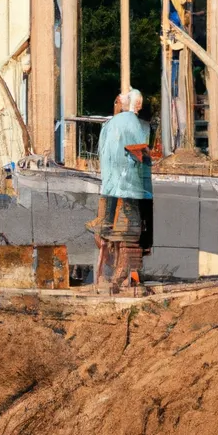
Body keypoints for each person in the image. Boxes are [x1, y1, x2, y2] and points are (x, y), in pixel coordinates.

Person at [88, 88, 153, 293]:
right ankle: (125, 276)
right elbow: (140, 152)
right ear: (138, 105)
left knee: (110, 232)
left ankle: (114, 276)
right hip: (130, 187)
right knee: (131, 233)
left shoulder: (109, 125)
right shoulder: (136, 124)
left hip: (109, 186)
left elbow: (101, 153)